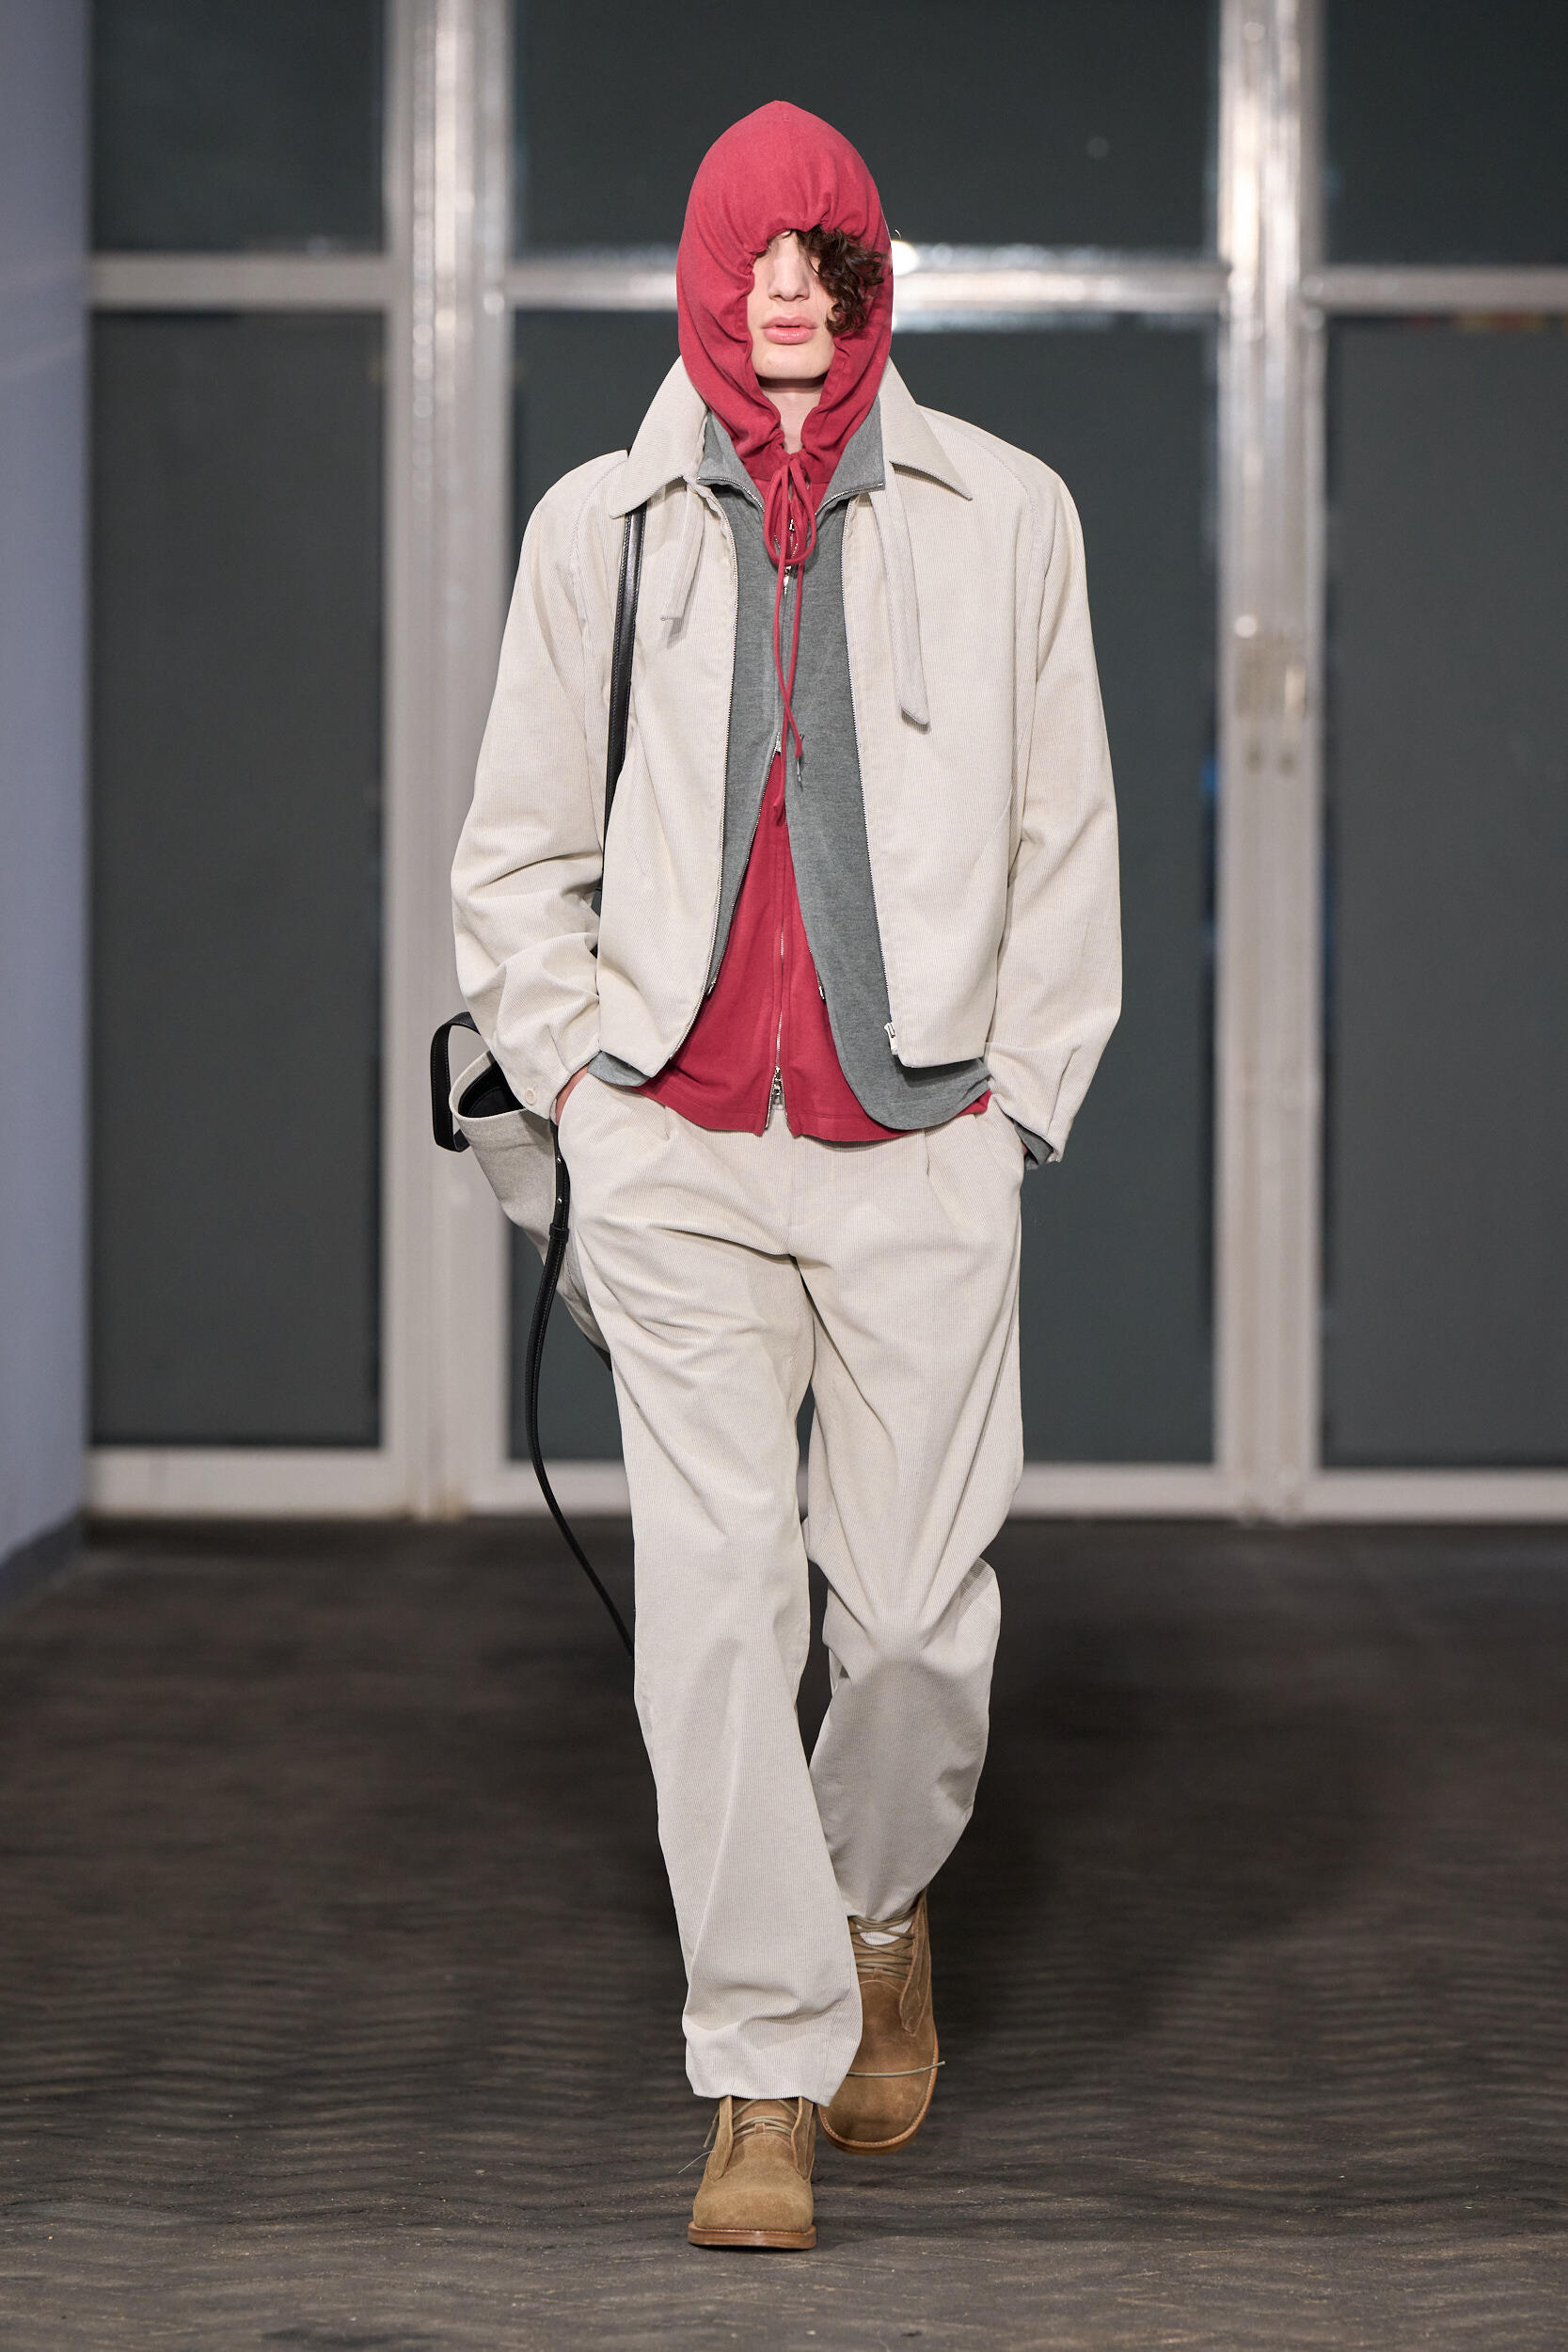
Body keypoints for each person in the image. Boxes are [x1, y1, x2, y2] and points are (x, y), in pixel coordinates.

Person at [452, 100, 1120, 2251]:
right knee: (717, 1606)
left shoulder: (1008, 514)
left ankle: (876, 1907)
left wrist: (1019, 1105)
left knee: (912, 1623)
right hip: (674, 1144)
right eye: (751, 254)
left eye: (823, 256)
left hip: (919, 1142)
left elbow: (1068, 839)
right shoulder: (601, 524)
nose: (785, 293)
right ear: (698, 273)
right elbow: (514, 853)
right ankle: (760, 2062)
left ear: (869, 277)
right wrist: (582, 1094)